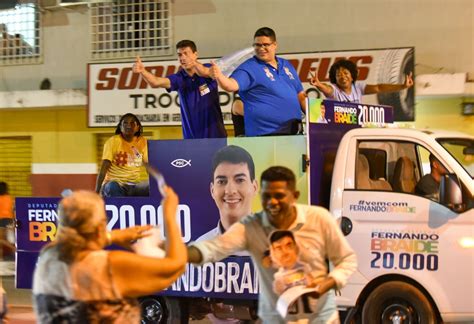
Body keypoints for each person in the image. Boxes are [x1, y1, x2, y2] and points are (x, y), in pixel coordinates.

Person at [188, 166, 357, 323]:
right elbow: (214, 247)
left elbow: (347, 260)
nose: (272, 202)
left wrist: (328, 282)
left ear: (295, 196)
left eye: (279, 196)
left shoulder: (319, 219)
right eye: (267, 196)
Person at [33, 186, 186, 323]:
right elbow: (175, 266)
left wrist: (113, 236)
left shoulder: (49, 255)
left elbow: (78, 238)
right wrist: (170, 217)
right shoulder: (107, 265)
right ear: (100, 226)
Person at [209, 27, 306, 137]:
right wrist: (219, 76)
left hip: (295, 134)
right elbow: (230, 85)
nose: (261, 48)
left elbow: (300, 95)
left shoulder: (286, 65)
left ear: (275, 45)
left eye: (266, 44)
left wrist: (315, 115)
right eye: (257, 45)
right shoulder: (249, 67)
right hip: (265, 136)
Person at [133, 40, 227, 139]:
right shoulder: (179, 78)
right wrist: (142, 71)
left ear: (195, 54)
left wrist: (194, 63)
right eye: (179, 55)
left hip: (217, 136)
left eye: (186, 53)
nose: (182, 58)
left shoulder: (209, 69)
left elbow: (207, 72)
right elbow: (155, 82)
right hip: (192, 139)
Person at [197, 145, 258, 241]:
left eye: (240, 180)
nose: (230, 191)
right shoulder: (201, 248)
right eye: (221, 182)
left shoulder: (278, 244)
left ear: (254, 187)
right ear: (212, 190)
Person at [310, 59, 414, 103]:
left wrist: (402, 86)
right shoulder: (335, 90)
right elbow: (327, 89)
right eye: (338, 75)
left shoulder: (358, 88)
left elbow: (379, 88)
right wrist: (318, 84)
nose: (342, 77)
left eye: (346, 73)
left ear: (352, 76)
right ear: (335, 79)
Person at [95, 113, 149, 197]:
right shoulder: (112, 142)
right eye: (125, 123)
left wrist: (156, 185)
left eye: (132, 123)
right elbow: (104, 167)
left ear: (137, 127)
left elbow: (148, 167)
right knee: (112, 186)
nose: (128, 126)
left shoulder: (143, 142)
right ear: (120, 127)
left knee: (150, 187)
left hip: (134, 185)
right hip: (115, 184)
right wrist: (97, 192)